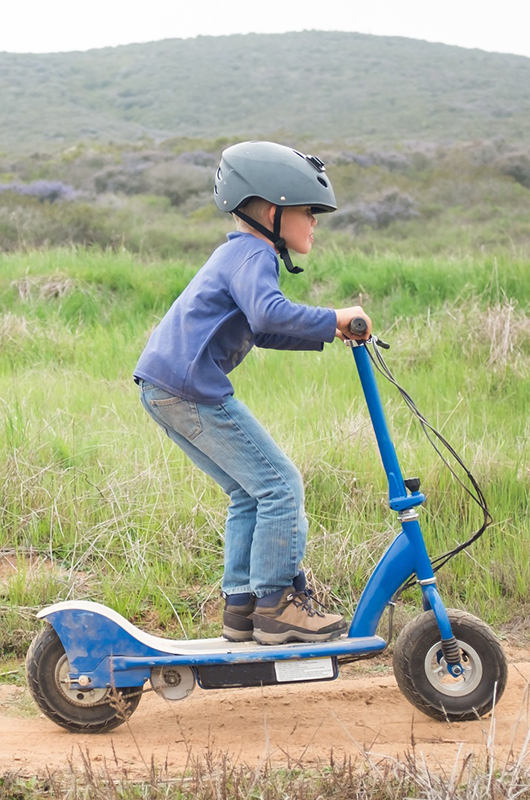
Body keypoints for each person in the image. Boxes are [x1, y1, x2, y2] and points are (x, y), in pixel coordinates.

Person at [133, 141, 371, 645]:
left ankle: (242, 608)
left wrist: (328, 332)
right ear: (271, 210)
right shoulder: (253, 254)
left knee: (249, 493)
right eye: (308, 212)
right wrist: (333, 316)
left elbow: (259, 329)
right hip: (189, 389)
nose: (313, 224)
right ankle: (277, 607)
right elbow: (266, 313)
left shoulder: (239, 254)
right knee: (280, 485)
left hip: (165, 386)